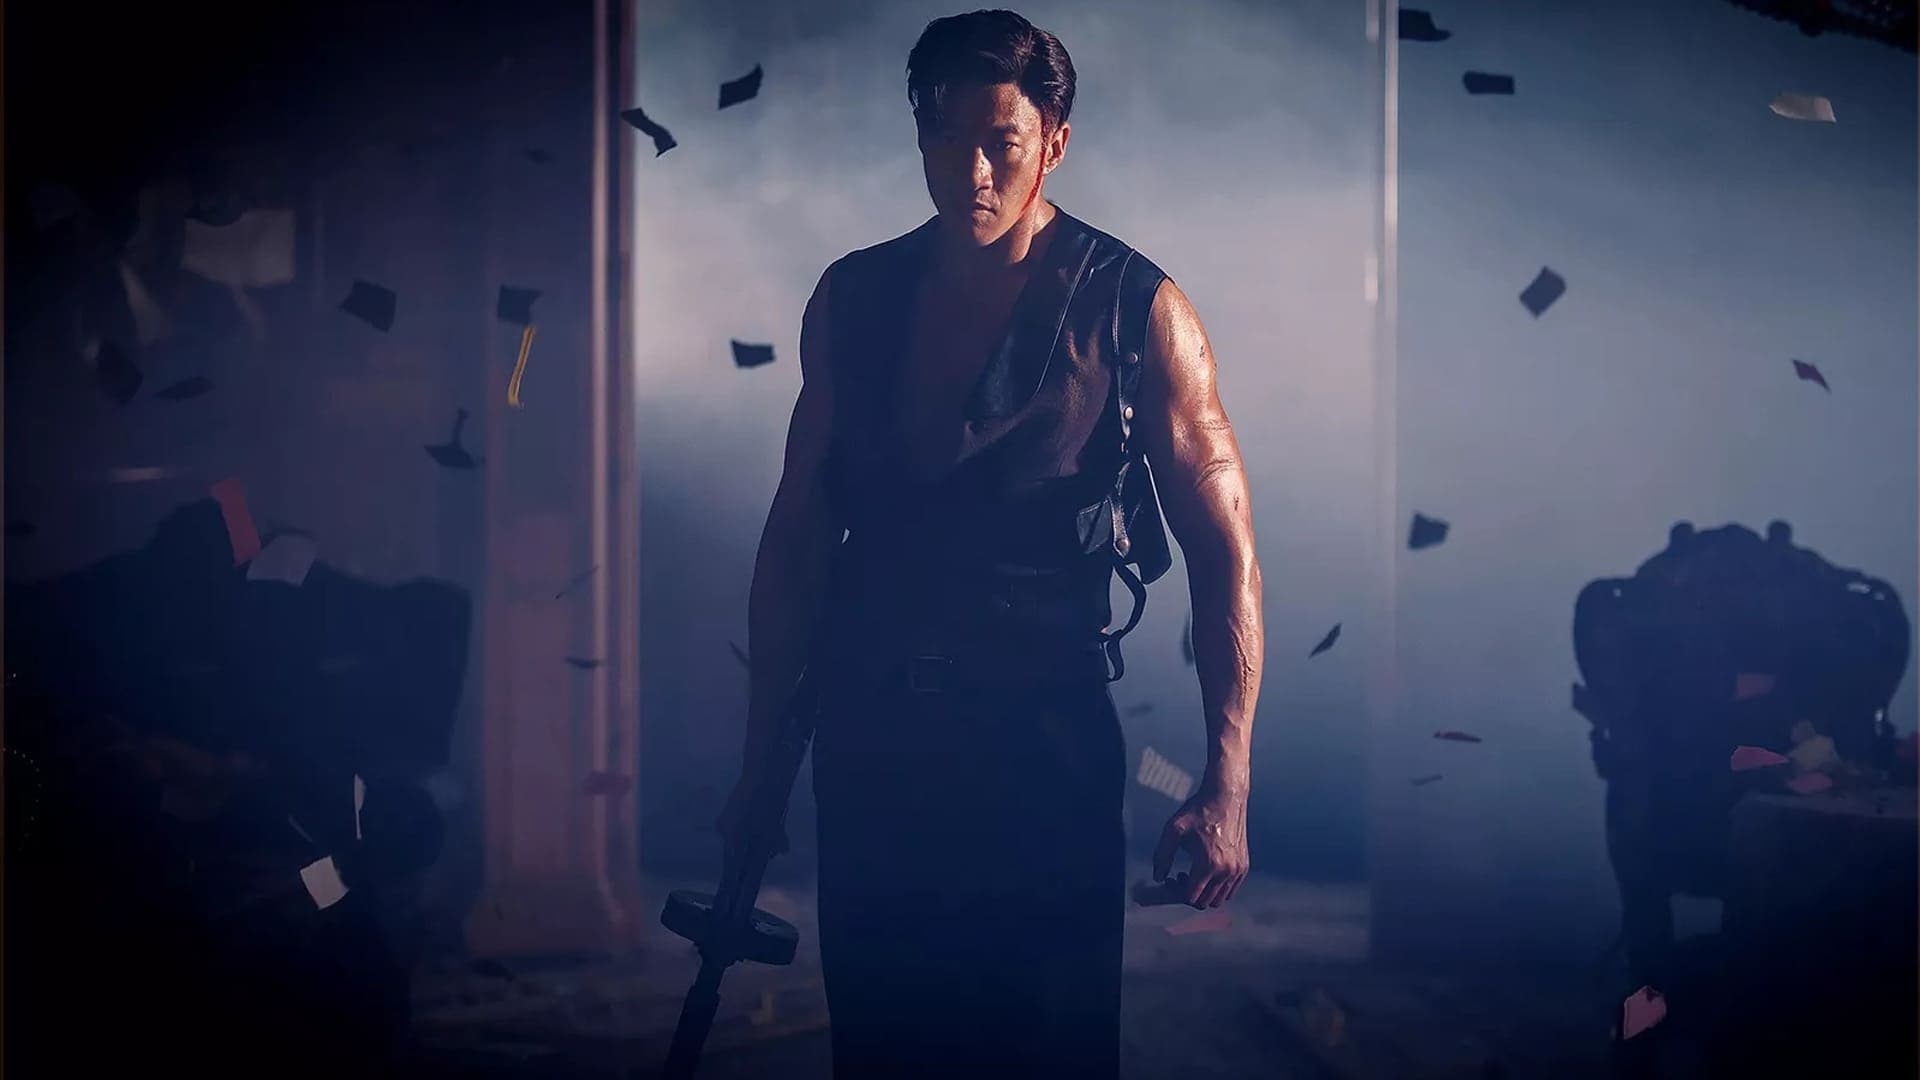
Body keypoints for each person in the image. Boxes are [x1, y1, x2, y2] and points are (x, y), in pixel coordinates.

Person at [718, 10, 1265, 1077]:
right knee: (886, 1046)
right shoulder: (854, 298)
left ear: (1053, 142)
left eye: (1000, 142)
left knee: (1043, 1046)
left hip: (1040, 750)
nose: (970, 171)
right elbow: (797, 535)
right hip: (876, 742)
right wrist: (757, 768)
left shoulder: (1134, 307)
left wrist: (1226, 781)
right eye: (945, 136)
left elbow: (1224, 549)